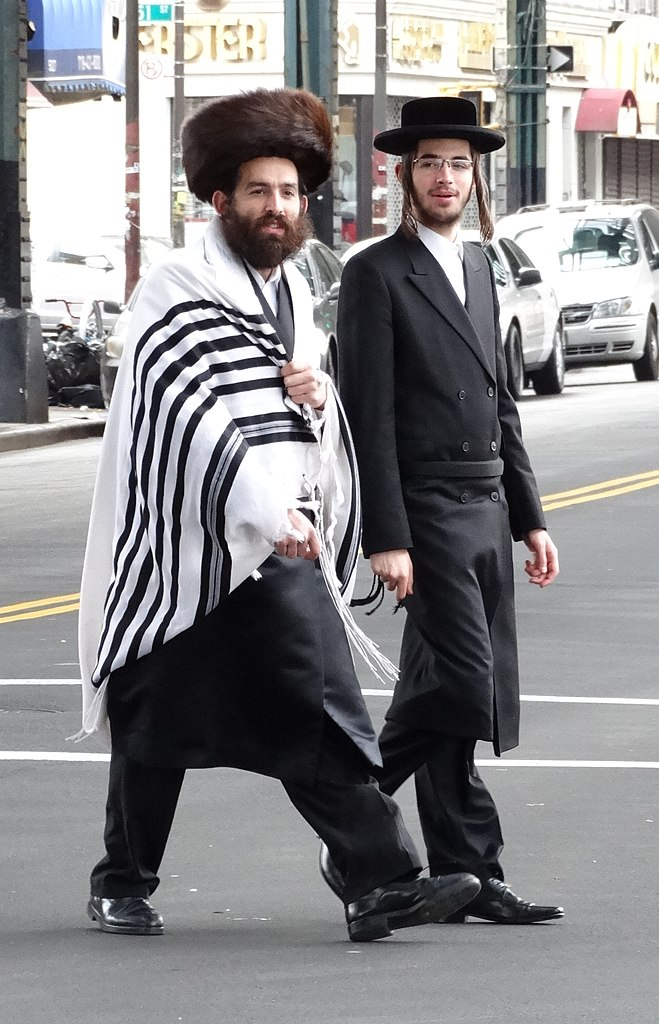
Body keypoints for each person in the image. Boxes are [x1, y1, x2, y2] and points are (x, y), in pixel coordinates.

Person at [74, 87, 480, 943]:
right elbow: (184, 411)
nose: (277, 208)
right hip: (186, 549)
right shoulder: (178, 287)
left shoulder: (293, 290)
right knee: (155, 720)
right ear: (220, 198)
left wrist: (318, 395)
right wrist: (261, 504)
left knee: (321, 707)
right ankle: (121, 879)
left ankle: (379, 880)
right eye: (259, 191)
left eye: (290, 193)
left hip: (276, 549)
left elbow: (293, 413)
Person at [325, 96, 564, 925]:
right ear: (403, 174)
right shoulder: (374, 272)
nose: (444, 175)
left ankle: (471, 871)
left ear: (475, 174)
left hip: (487, 506)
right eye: (429, 161)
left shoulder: (484, 267)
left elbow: (504, 405)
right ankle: (352, 820)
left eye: (458, 162)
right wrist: (384, 536)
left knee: (465, 693)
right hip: (421, 509)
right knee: (461, 682)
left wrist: (530, 514)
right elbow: (367, 414)